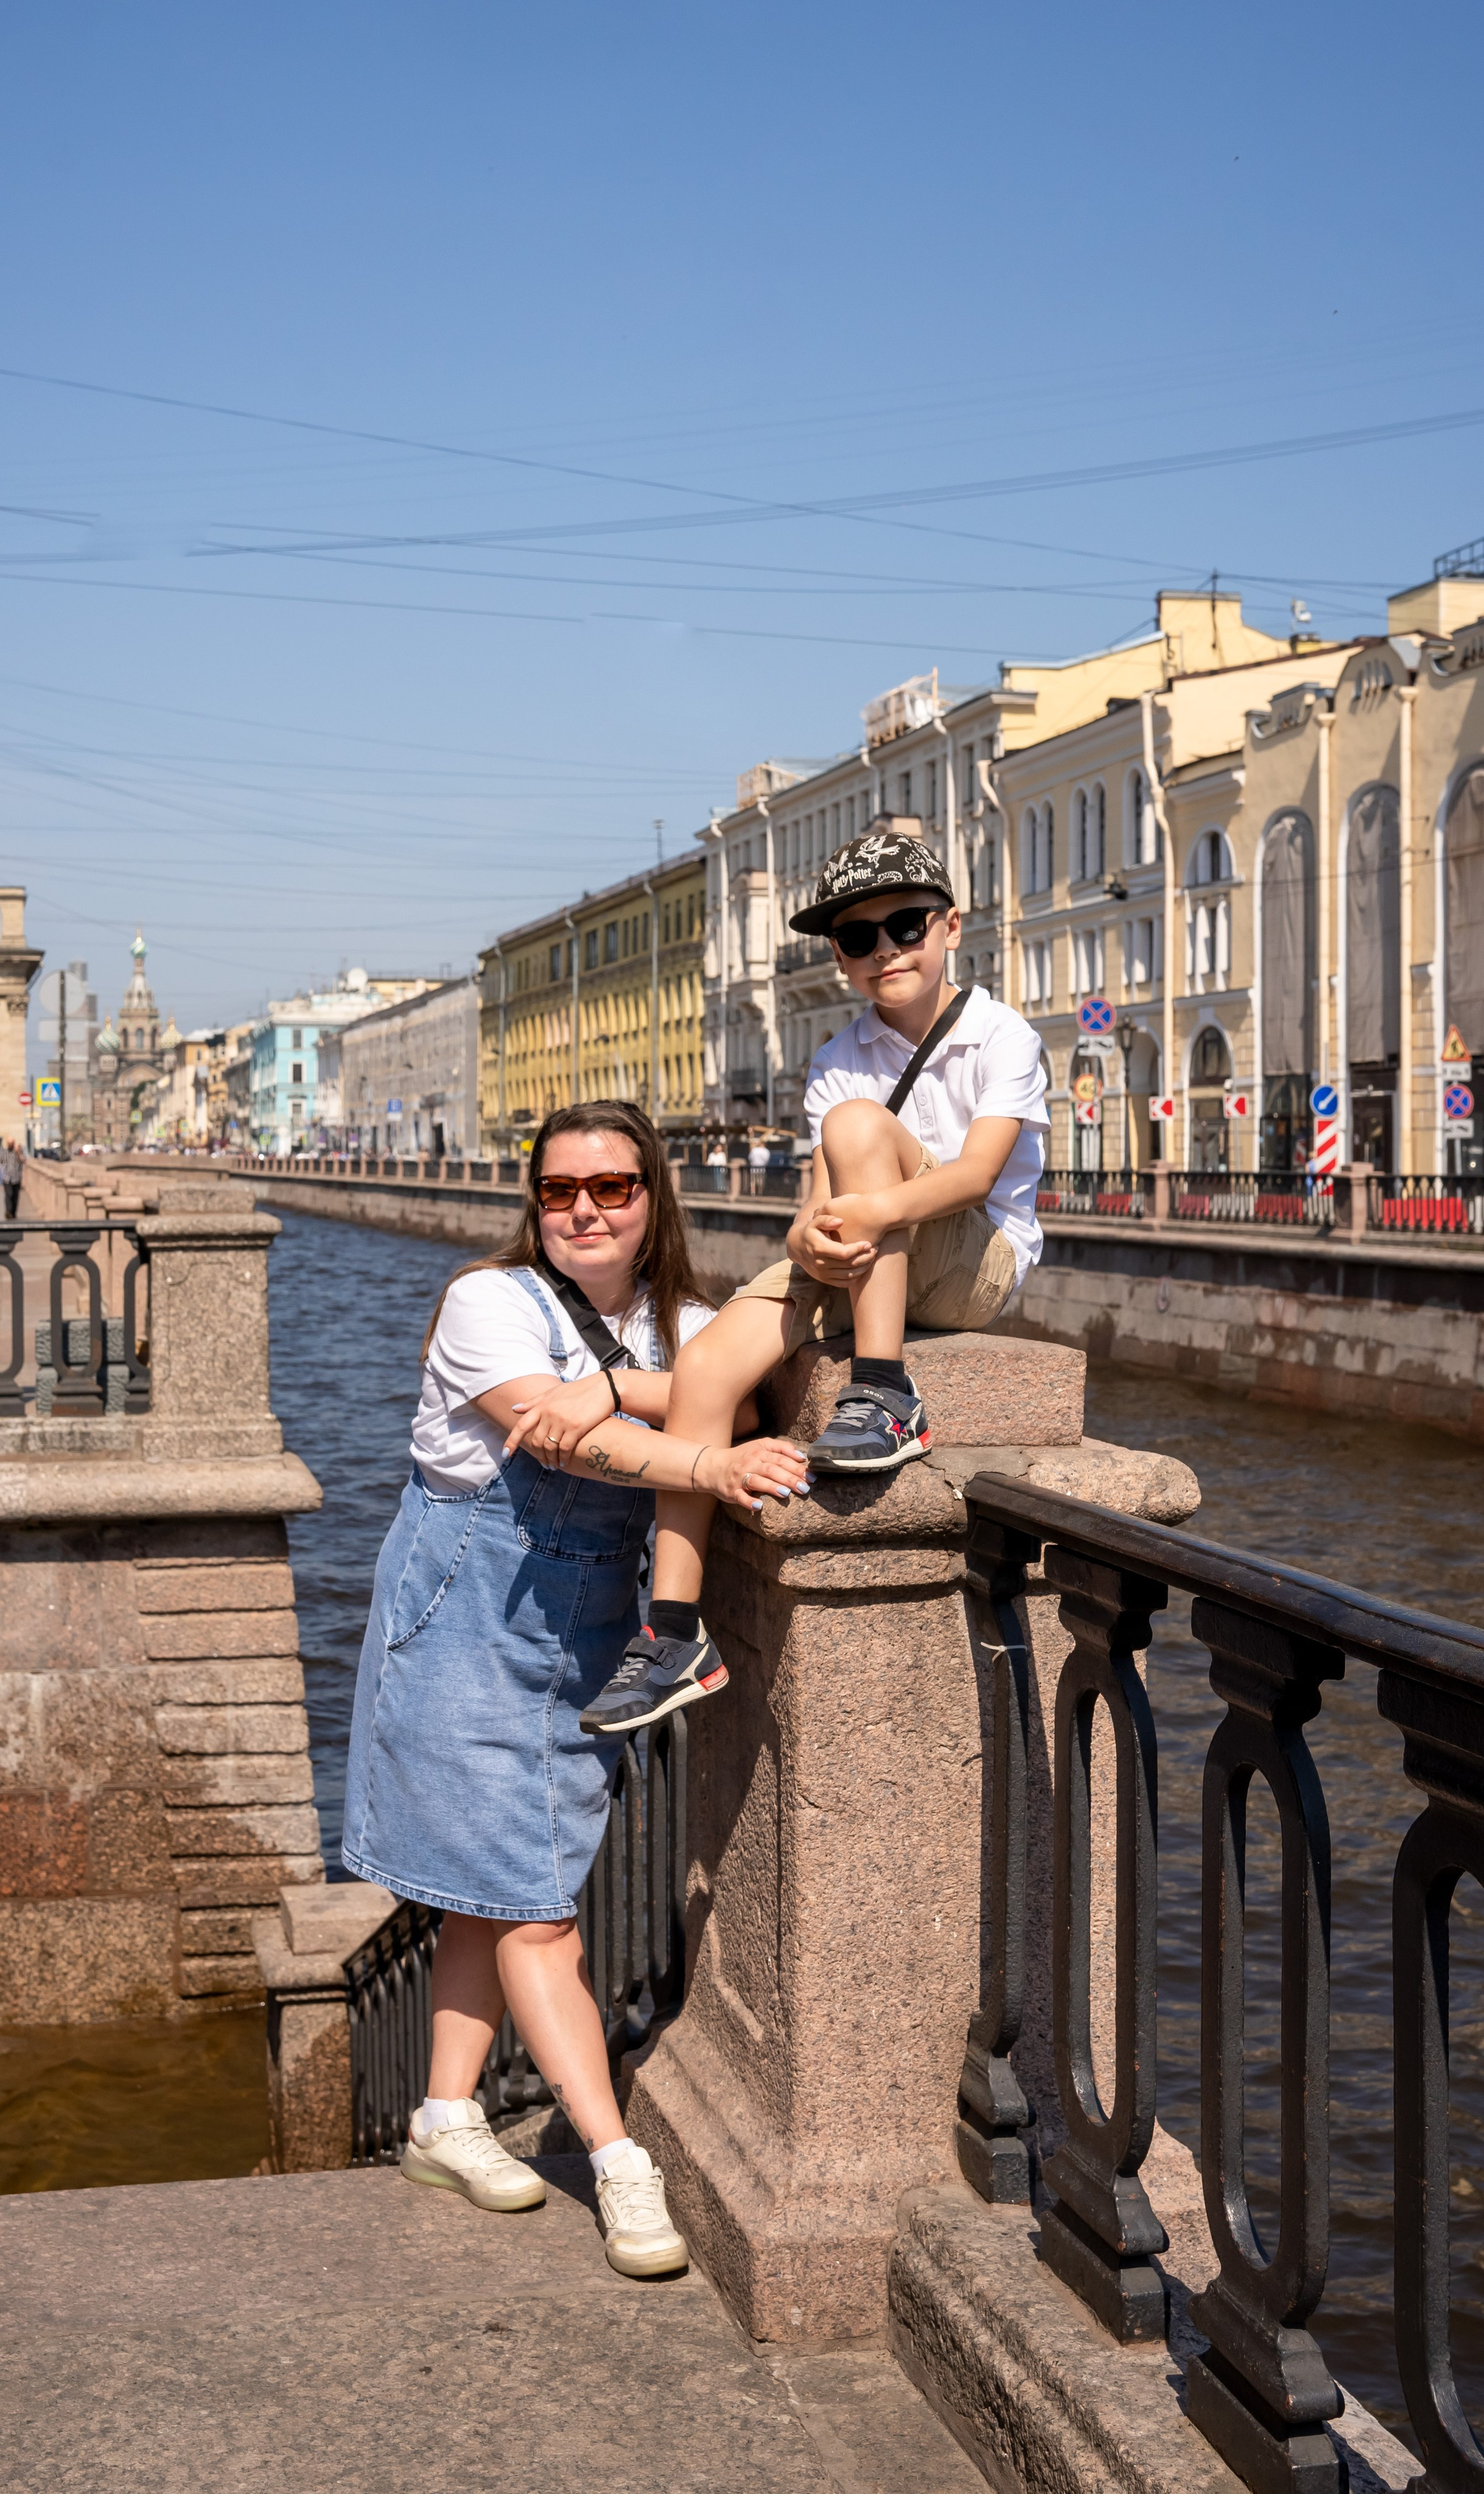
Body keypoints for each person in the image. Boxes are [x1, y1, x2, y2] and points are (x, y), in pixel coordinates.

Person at [341, 1099, 811, 2278]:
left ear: (654, 1196)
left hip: (596, 1627)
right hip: (469, 1615)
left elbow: (753, 1393)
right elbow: (557, 1440)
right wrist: (692, 1436)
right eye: (559, 1190)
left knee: (489, 1887)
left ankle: (445, 2115)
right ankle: (619, 2158)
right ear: (532, 1202)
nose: (585, 1210)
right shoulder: (485, 1301)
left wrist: (611, 1388)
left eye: (612, 1186)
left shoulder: (689, 1316)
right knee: (538, 1899)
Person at [578, 825, 1048, 1740]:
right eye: (856, 939)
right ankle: (674, 1631)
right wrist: (814, 1236)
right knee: (710, 1365)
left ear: (951, 926)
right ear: (838, 958)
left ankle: (882, 1392)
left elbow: (976, 1177)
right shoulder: (838, 1052)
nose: (885, 952)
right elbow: (812, 1203)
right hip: (868, 1251)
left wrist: (864, 1216)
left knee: (864, 1130)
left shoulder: (1001, 1034)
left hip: (972, 1262)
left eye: (905, 926)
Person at [0, 1138, 21, 1220]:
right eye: (9, 1143)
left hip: (17, 1178)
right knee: (9, 1194)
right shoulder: (4, 1153)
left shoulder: (18, 1152)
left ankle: (13, 1212)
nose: (10, 1145)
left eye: (12, 1143)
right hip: (7, 1178)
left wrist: (18, 1152)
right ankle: (8, 1212)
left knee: (15, 1196)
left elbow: (23, 1160)